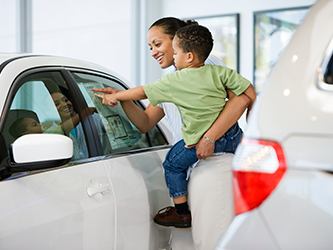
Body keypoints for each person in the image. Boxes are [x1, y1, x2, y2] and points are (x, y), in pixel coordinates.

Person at [94, 17, 251, 249]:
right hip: (192, 166)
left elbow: (240, 99)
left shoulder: (205, 65)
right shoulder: (171, 80)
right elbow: (146, 122)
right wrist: (122, 98)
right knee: (191, 243)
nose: (153, 52)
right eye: (150, 47)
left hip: (214, 162)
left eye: (158, 44)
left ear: (178, 40)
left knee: (212, 241)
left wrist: (209, 138)